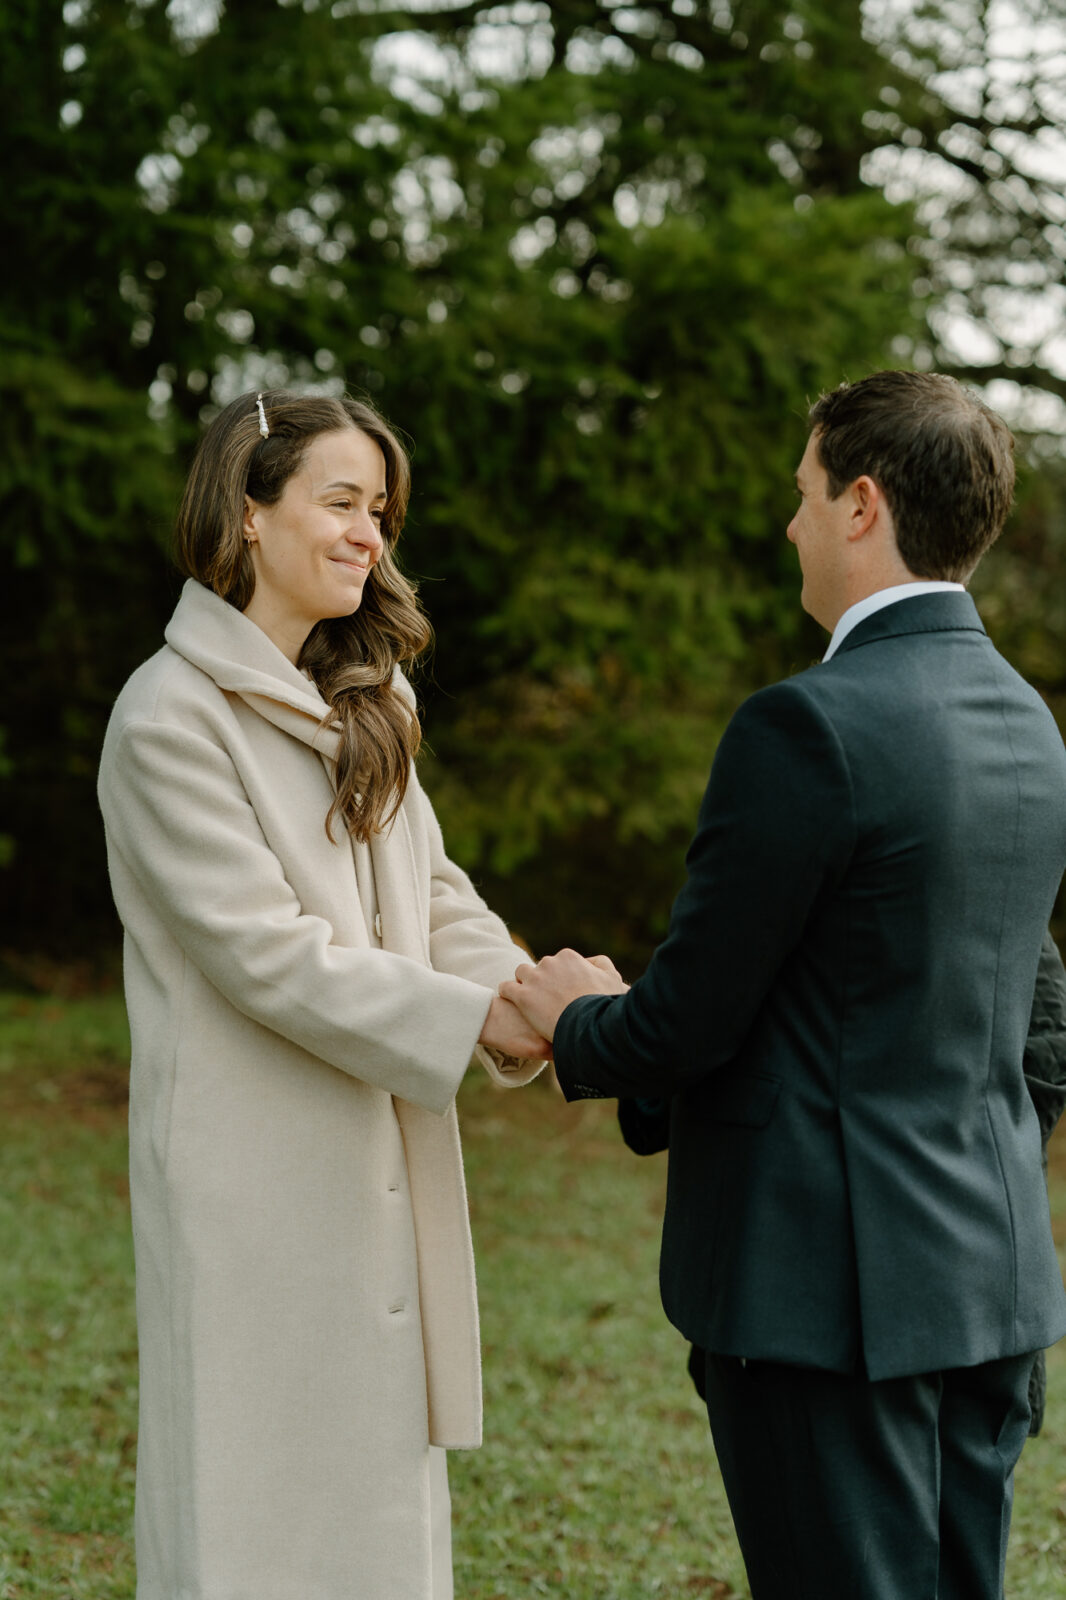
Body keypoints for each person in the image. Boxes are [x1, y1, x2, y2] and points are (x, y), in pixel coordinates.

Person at [501, 370, 1066, 1600]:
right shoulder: (1029, 724)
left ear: (862, 503)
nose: (790, 522)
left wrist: (578, 1021)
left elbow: (695, 1011)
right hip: (992, 1282)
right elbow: (1038, 1020)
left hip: (825, 1307)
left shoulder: (805, 726)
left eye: (803, 493)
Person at [97, 390, 548, 1600]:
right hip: (247, 1185)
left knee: (378, 1530)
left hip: (380, 1164)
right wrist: (480, 1022)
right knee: (247, 1515)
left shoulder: (375, 699)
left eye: (381, 511)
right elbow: (269, 956)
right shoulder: (166, 719)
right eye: (340, 502)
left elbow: (431, 885)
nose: (370, 536)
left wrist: (531, 989)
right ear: (247, 514)